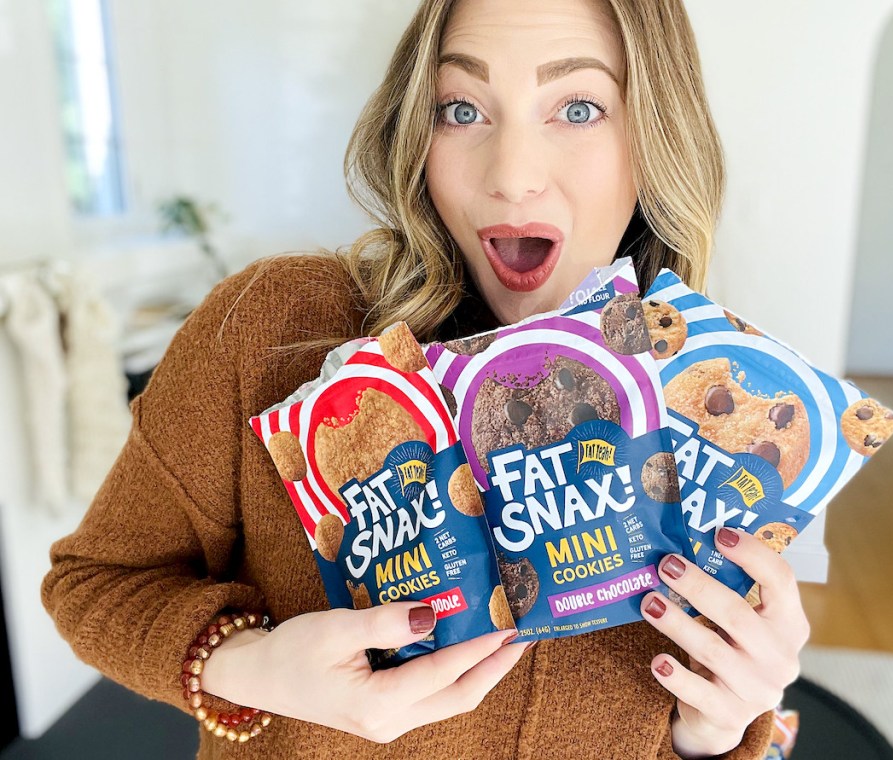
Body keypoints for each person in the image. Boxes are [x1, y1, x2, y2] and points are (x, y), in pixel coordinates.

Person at [42, 0, 809, 757]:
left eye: (578, 107)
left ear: (657, 137)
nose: (512, 177)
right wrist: (254, 668)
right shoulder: (271, 328)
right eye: (461, 108)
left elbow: (690, 729)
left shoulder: (720, 419)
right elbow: (94, 582)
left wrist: (714, 731)